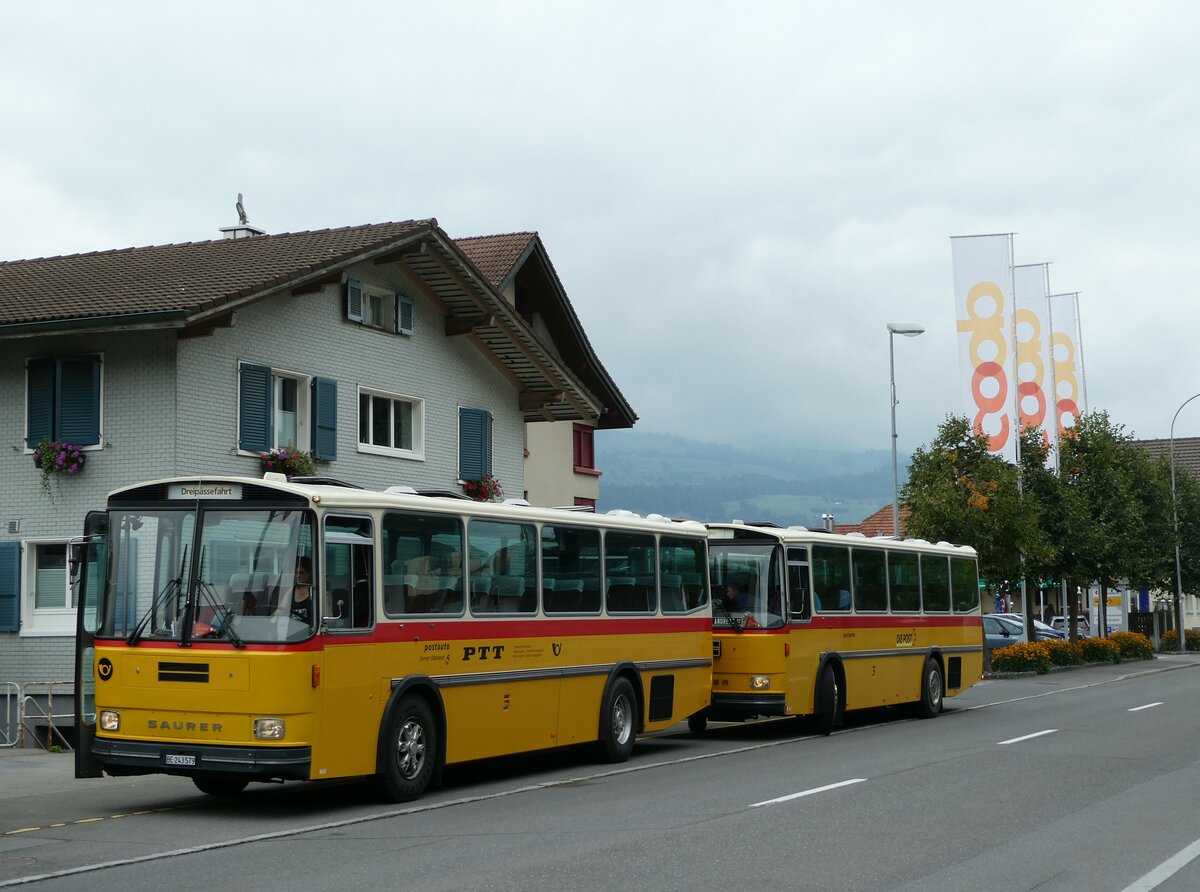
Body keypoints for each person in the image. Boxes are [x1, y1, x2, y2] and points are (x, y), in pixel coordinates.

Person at [277, 556, 313, 625]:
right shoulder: (290, 591)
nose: (297, 576)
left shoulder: (317, 592)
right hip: (290, 629)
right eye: (296, 573)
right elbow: (280, 610)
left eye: (301, 573)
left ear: (310, 574)